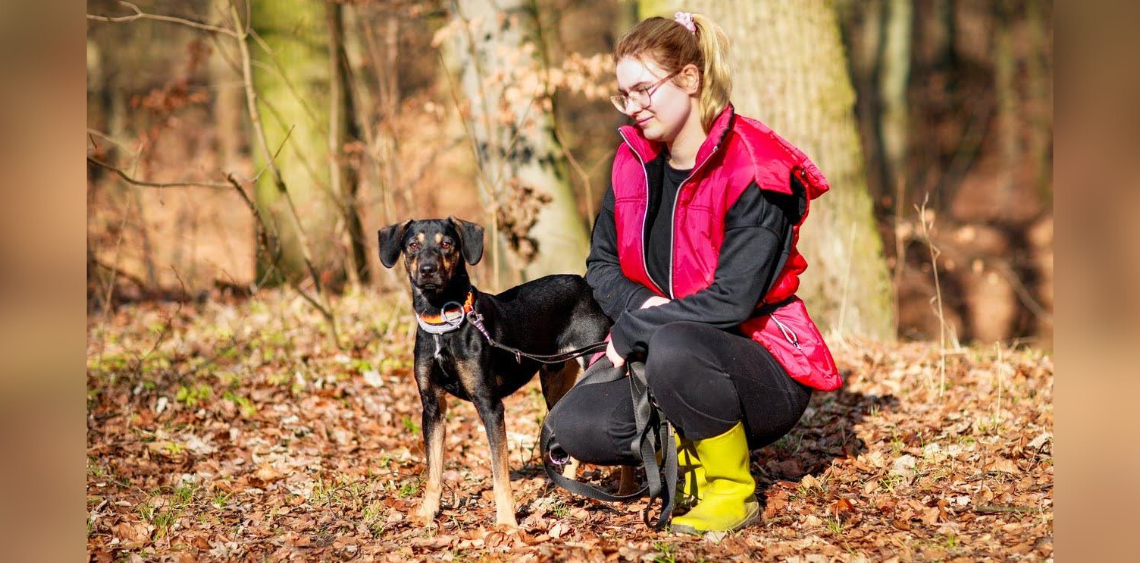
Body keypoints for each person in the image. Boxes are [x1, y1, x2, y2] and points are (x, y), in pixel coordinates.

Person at [545, 12, 844, 534]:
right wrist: (643, 308)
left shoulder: (756, 167)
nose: (634, 107)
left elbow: (732, 300)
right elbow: (601, 265)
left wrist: (640, 328)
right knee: (573, 424)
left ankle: (730, 491)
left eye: (644, 90)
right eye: (623, 95)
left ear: (689, 78)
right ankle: (684, 447)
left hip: (759, 363)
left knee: (676, 345)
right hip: (661, 352)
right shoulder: (632, 163)